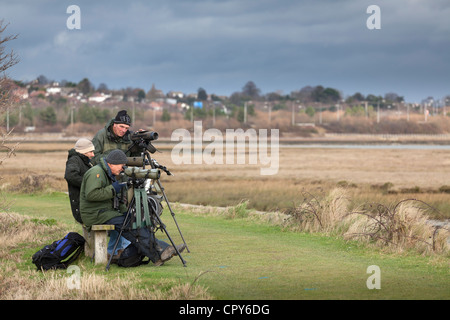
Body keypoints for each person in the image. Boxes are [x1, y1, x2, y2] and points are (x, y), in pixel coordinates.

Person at [80, 149, 183, 265]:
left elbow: (116, 199)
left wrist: (126, 211)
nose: (123, 168)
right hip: (95, 214)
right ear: (111, 163)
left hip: (105, 212)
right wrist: (114, 189)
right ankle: (162, 250)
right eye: (121, 165)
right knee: (130, 224)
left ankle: (158, 255)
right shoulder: (96, 173)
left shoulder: (109, 173)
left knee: (135, 221)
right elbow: (91, 195)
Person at [64, 138, 95, 224]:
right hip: (80, 204)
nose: (93, 154)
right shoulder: (74, 160)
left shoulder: (85, 161)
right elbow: (70, 176)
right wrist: (89, 184)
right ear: (83, 151)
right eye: (90, 152)